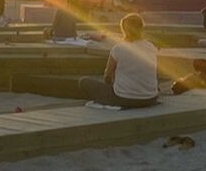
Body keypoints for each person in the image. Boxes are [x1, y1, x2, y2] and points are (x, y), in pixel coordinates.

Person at [17, 14, 162, 109]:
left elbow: (107, 75)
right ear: (142, 28)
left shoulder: (119, 49)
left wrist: (111, 81)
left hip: (125, 99)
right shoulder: (151, 47)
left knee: (84, 82)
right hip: (150, 98)